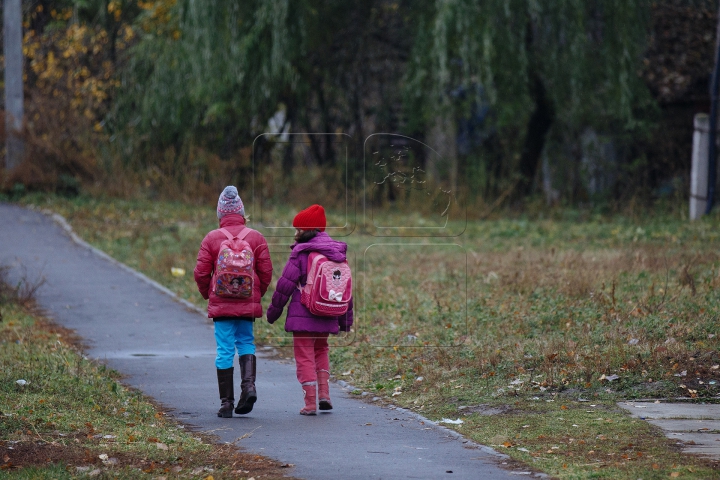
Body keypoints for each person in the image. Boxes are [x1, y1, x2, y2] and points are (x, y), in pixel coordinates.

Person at [266, 204, 353, 415]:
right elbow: (344, 290)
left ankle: (310, 403)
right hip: (328, 312)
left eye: (298, 230)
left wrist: (273, 313)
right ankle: (325, 395)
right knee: (321, 350)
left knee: (304, 355)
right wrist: (345, 321)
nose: (296, 234)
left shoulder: (301, 253)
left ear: (308, 231)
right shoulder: (336, 253)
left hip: (303, 314)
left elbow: (285, 285)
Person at [194, 186, 272, 418]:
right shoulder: (256, 237)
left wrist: (209, 294)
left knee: (225, 350)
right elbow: (266, 272)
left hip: (222, 306)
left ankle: (226, 404)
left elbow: (200, 273)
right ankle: (249, 388)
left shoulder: (212, 238)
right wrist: (256, 294)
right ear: (241, 212)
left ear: (220, 213)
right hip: (247, 304)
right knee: (246, 343)